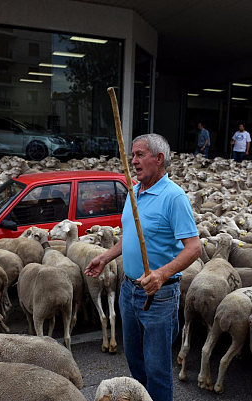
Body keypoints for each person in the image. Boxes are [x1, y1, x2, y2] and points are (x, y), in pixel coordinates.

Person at [85, 133, 201, 401]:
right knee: (135, 362)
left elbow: (194, 248)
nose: (133, 161)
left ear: (159, 159)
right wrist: (106, 257)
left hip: (158, 297)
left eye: (139, 155)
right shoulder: (134, 192)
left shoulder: (174, 198)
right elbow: (131, 237)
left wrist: (161, 274)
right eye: (132, 155)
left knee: (157, 369)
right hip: (129, 290)